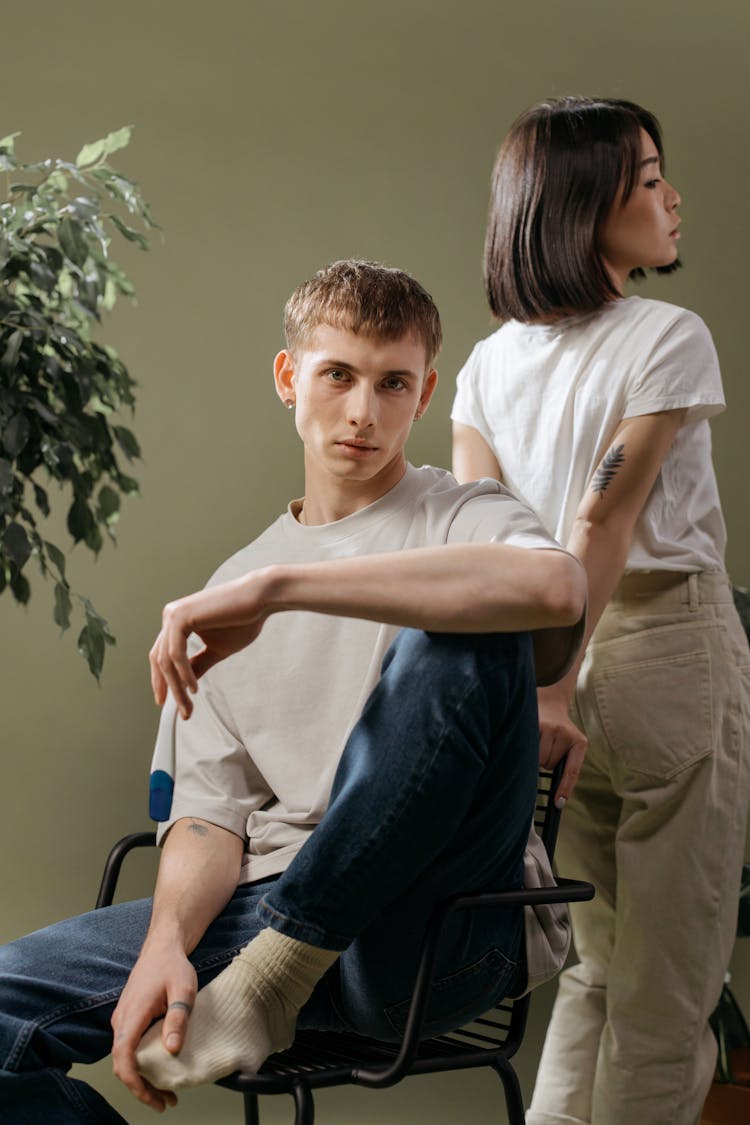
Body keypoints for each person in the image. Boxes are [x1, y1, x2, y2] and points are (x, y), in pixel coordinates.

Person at [0, 259, 586, 1121]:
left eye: (393, 384)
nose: (362, 411)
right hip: (260, 903)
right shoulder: (229, 583)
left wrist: (284, 589)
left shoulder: (467, 516)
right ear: (289, 378)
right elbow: (208, 813)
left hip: (433, 922)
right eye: (338, 375)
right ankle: (275, 958)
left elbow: (558, 592)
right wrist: (167, 940)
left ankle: (280, 968)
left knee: (467, 628)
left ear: (423, 396)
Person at [451, 97, 750, 1125]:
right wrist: (558, 687)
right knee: (669, 995)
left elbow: (485, 544)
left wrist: (536, 693)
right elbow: (605, 521)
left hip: (546, 671)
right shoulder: (667, 335)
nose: (675, 198)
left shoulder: (490, 364)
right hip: (663, 651)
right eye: (652, 178)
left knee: (591, 973)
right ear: (587, 206)